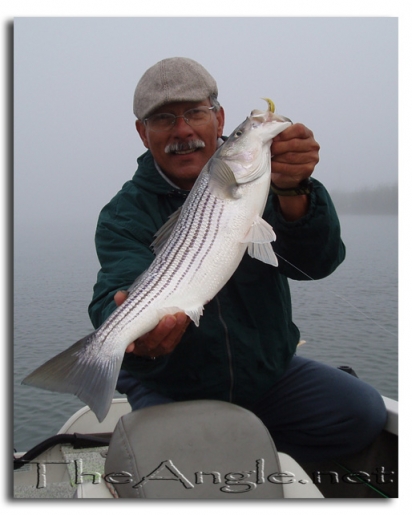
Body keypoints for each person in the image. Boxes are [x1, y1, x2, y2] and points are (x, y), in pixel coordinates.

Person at [88, 57, 387, 463]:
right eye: (163, 119)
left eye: (196, 112)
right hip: (171, 384)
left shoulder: (267, 179)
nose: (183, 131)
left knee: (362, 413)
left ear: (220, 118)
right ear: (143, 133)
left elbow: (318, 263)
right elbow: (115, 288)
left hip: (268, 376)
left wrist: (295, 189)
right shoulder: (124, 213)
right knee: (177, 468)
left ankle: (260, 462)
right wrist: (132, 334)